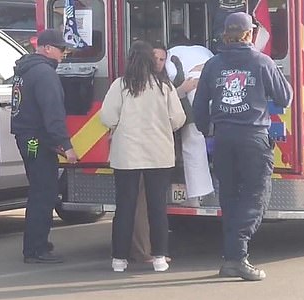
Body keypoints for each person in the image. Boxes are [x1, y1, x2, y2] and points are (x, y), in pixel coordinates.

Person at [192, 12, 292, 281]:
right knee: (255, 195)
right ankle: (238, 256)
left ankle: (231, 258)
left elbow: (199, 108)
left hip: (223, 139)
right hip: (253, 138)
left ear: (225, 34)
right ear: (249, 34)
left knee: (230, 198)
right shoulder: (262, 62)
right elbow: (285, 97)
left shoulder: (213, 65)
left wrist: (208, 131)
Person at [100, 40, 185, 273]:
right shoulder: (163, 86)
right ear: (150, 61)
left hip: (126, 156)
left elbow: (107, 117)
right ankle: (159, 258)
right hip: (159, 155)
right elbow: (178, 119)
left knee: (125, 207)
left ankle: (119, 259)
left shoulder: (120, 85)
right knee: (157, 207)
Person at [10, 29, 79, 264]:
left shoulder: (26, 69)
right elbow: (53, 114)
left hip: (28, 139)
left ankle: (36, 243)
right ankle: (35, 248)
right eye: (61, 50)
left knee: (38, 186)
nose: (63, 55)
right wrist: (66, 145)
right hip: (36, 139)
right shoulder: (44, 73)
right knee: (44, 191)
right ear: (47, 48)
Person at [166, 44, 216, 205]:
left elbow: (172, 78)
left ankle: (196, 195)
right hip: (213, 90)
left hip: (191, 92)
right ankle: (206, 192)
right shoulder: (204, 51)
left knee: (192, 142)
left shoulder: (171, 54)